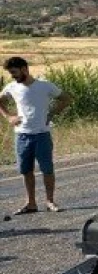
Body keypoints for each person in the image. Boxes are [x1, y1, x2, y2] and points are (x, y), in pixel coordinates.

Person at [1, 57, 72, 214]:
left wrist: (52, 112)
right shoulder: (12, 87)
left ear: (25, 69)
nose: (13, 76)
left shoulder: (44, 86)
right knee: (26, 170)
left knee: (47, 169)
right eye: (10, 73)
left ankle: (50, 201)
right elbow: (0, 101)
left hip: (42, 134)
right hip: (22, 136)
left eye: (14, 72)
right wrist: (9, 117)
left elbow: (66, 98)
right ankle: (31, 203)